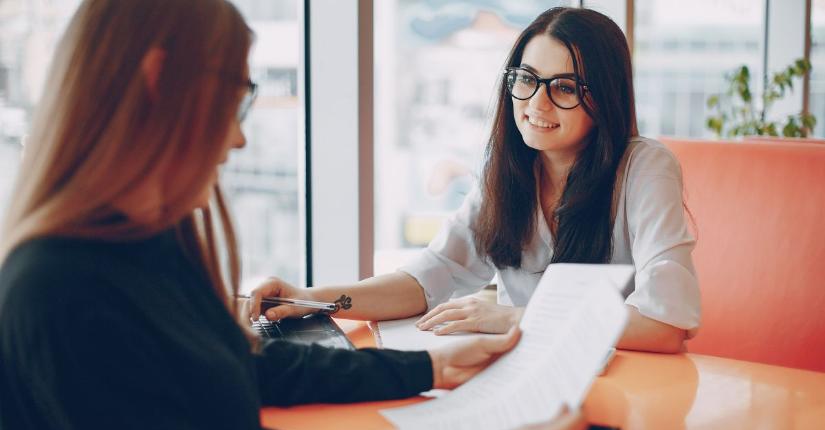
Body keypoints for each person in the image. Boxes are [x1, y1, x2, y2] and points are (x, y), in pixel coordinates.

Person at [0, 1, 586, 430]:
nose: (238, 136)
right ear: (158, 82)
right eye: (235, 100)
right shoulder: (59, 293)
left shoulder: (143, 246)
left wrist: (429, 365)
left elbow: (242, 366)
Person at [254, 7, 700, 354]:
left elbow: (665, 325)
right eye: (526, 79)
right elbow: (428, 278)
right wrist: (314, 299)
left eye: (563, 87)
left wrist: (514, 317)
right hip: (523, 378)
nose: (535, 104)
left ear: (604, 96)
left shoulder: (645, 169)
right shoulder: (507, 169)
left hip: (623, 386)